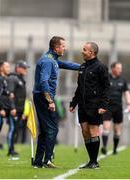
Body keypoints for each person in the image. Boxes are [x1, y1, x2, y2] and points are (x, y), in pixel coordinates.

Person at [33, 36, 80, 168]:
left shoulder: (51, 59)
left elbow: (66, 64)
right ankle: (47, 160)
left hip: (41, 96)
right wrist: (50, 101)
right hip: (43, 97)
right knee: (52, 129)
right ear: (56, 47)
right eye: (63, 46)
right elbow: (43, 81)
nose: (65, 48)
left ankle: (38, 162)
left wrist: (83, 67)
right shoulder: (48, 61)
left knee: (45, 130)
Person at [69, 42, 110, 169]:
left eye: (85, 50)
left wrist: (103, 105)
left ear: (92, 52)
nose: (82, 51)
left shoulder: (101, 67)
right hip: (82, 106)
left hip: (95, 105)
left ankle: (94, 161)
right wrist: (73, 103)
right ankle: (91, 161)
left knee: (93, 131)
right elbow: (79, 87)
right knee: (85, 132)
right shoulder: (81, 67)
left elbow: (106, 87)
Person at [101, 61, 130, 155]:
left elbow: (126, 93)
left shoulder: (123, 80)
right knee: (106, 127)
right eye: (118, 68)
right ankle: (105, 147)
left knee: (117, 129)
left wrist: (129, 104)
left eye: (120, 68)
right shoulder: (106, 78)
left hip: (118, 107)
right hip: (107, 107)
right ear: (113, 68)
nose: (120, 70)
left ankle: (114, 149)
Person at [8, 60, 30, 144]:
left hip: (20, 109)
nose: (26, 70)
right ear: (18, 68)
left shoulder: (21, 79)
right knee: (13, 129)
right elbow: (10, 94)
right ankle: (10, 150)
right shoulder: (13, 78)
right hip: (15, 109)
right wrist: (13, 107)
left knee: (16, 129)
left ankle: (12, 149)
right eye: (24, 68)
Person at [0, 61, 17, 156]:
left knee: (7, 127)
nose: (9, 69)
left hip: (7, 108)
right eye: (7, 67)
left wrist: (12, 107)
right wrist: (0, 108)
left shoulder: (5, 79)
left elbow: (7, 94)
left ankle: (11, 150)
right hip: (1, 108)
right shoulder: (0, 79)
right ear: (1, 68)